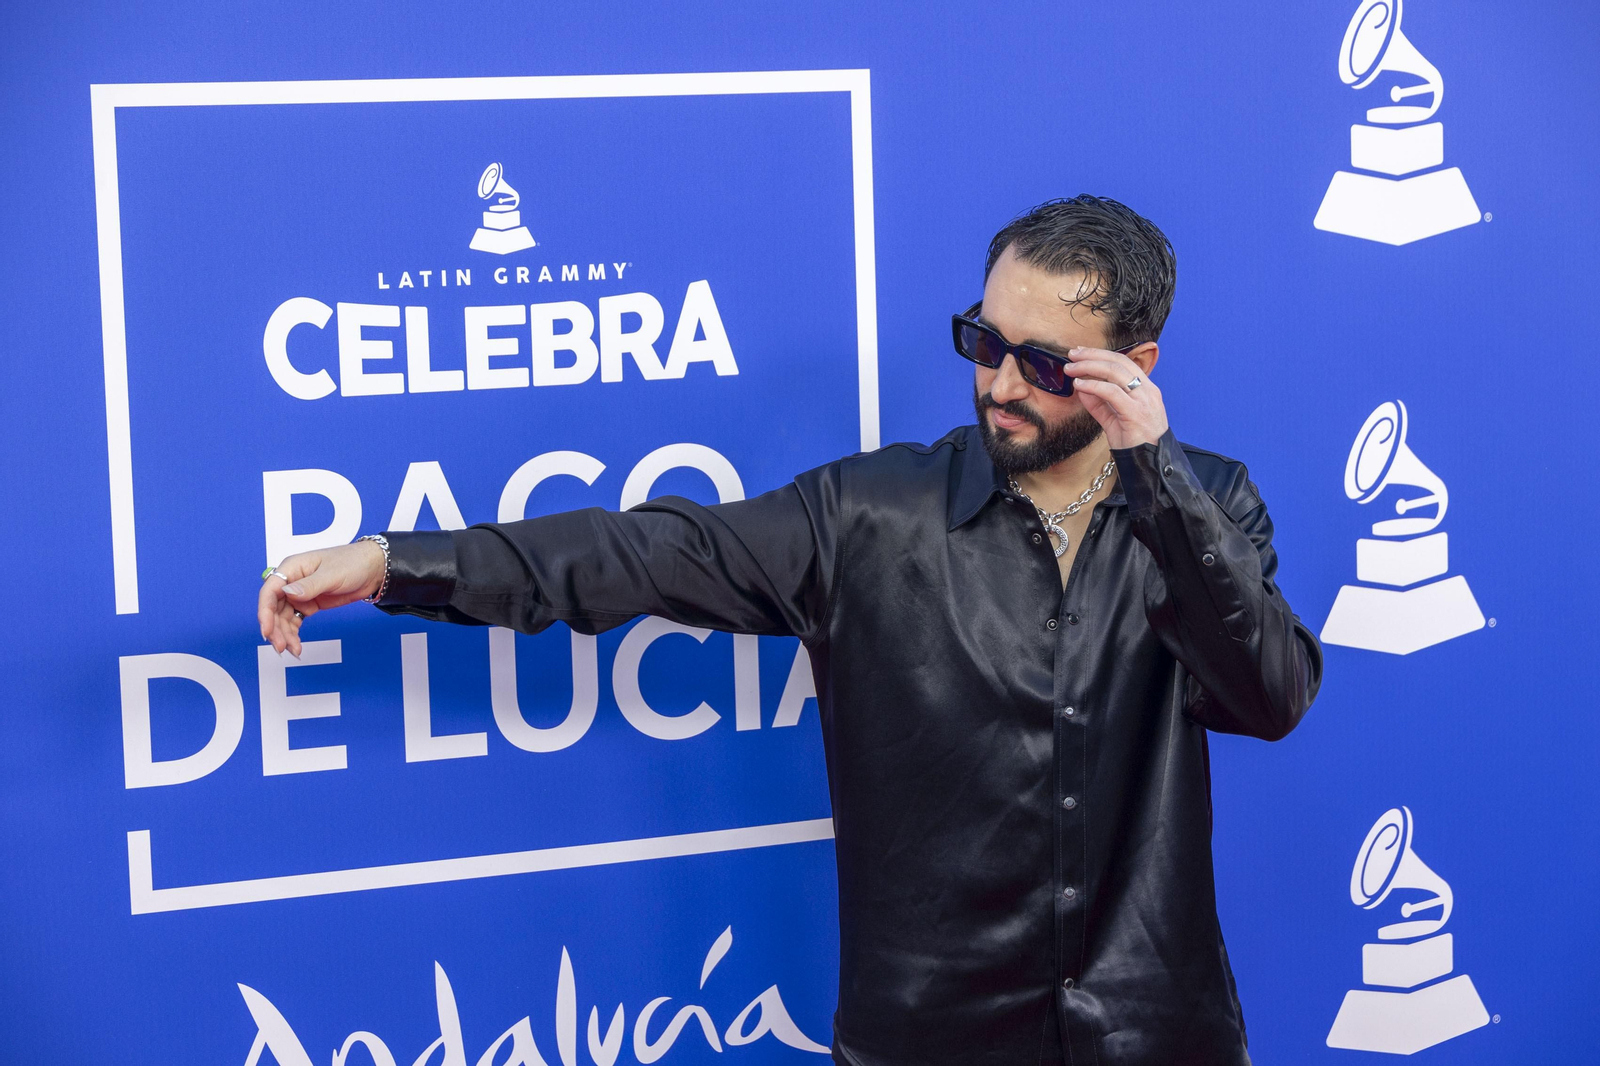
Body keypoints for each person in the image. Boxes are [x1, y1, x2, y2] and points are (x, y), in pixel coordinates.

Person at [257, 195, 1322, 1066]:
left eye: (1044, 366)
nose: (997, 384)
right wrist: (399, 562)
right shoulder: (869, 514)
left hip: (1156, 1031)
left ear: (1133, 366)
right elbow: (640, 554)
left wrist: (1161, 486)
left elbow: (1265, 695)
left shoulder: (1205, 505)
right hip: (929, 1038)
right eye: (983, 342)